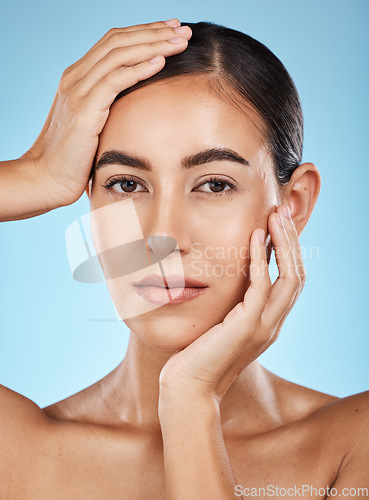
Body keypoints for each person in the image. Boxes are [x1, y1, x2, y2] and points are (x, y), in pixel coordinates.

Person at [0, 18, 368, 499]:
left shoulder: (353, 446)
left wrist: (192, 400)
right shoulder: (15, 447)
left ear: (293, 205)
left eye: (214, 184)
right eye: (126, 184)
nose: (163, 236)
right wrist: (32, 176)